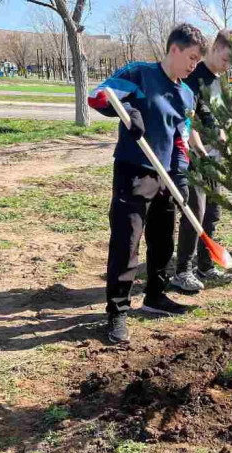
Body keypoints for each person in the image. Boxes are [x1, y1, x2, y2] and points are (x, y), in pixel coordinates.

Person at [87, 24, 208, 344]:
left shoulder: (185, 92)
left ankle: (155, 296)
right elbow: (97, 96)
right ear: (174, 49)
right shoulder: (140, 73)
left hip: (165, 175)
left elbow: (181, 139)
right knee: (127, 242)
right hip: (134, 171)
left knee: (162, 240)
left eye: (198, 60)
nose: (194, 65)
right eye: (192, 57)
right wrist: (126, 109)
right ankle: (117, 312)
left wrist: (180, 176)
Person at [171, 30, 232, 293]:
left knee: (212, 213)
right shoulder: (194, 76)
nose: (228, 65)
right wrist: (198, 148)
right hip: (196, 154)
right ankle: (182, 271)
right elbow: (189, 117)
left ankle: (205, 265)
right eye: (226, 58)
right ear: (214, 47)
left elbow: (224, 112)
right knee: (194, 213)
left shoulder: (221, 79)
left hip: (215, 155)